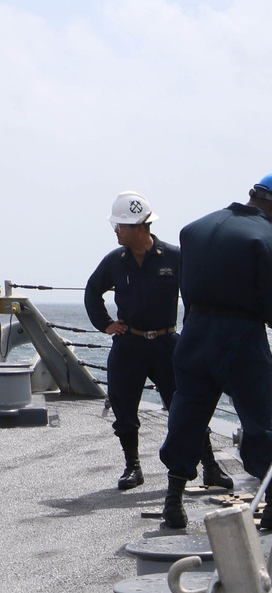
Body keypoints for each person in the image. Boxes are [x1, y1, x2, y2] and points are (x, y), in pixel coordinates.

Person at [157, 173, 272, 531]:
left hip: (194, 336)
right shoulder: (265, 236)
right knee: (259, 421)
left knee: (186, 416)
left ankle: (173, 502)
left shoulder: (194, 230)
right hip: (240, 340)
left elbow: (186, 288)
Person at [85, 191, 231, 493]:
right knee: (124, 409)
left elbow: (196, 295)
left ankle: (210, 467)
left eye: (120, 226)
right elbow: (92, 290)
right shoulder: (115, 261)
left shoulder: (175, 257)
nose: (116, 231)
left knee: (187, 407)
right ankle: (133, 467)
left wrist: (192, 333)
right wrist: (106, 324)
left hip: (167, 345)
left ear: (139, 227)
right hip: (129, 345)